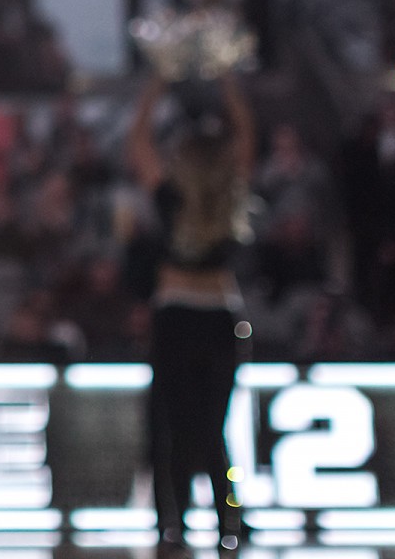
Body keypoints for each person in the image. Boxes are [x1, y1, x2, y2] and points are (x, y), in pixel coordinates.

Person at [127, 73, 255, 558]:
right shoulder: (229, 195)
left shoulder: (173, 196)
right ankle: (229, 522)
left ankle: (173, 526)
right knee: (212, 428)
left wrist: (157, 83)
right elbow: (247, 135)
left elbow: (139, 143)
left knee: (172, 427)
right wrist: (227, 82)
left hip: (177, 317)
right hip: (220, 317)